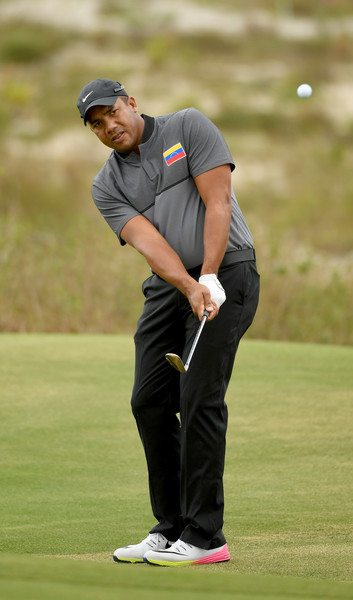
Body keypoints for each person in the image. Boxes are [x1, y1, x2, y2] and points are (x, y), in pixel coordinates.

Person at [77, 78, 260, 566]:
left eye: (112, 113)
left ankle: (206, 537)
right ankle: (172, 525)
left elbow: (217, 202)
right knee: (149, 400)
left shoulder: (187, 127)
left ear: (131, 103)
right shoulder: (106, 184)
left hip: (229, 271)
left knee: (197, 397)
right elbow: (150, 244)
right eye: (96, 124)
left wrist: (211, 276)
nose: (108, 126)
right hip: (171, 285)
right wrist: (187, 284)